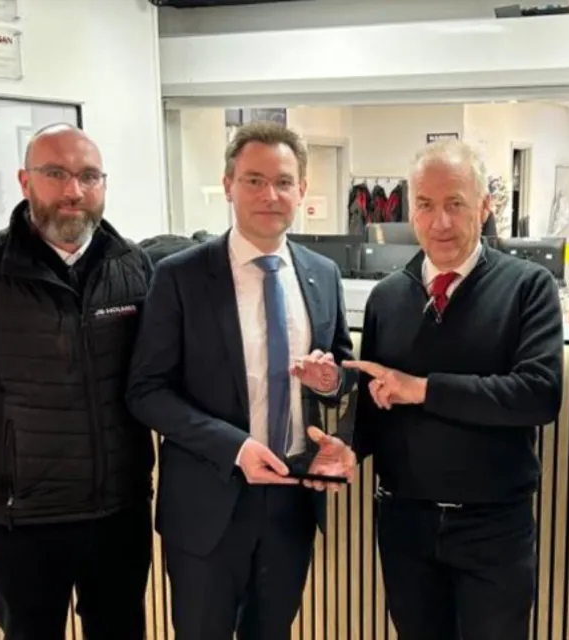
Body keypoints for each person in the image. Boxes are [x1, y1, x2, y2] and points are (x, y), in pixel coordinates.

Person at [0, 123, 155, 639]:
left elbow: (149, 380)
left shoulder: (134, 268)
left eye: (89, 176)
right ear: (26, 181)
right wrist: (5, 455)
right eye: (56, 174)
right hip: (22, 519)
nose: (74, 191)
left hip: (119, 509)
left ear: (104, 184)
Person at [125, 121, 357, 640]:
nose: (269, 195)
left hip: (292, 502)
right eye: (253, 180)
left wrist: (328, 382)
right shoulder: (180, 275)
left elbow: (340, 375)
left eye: (283, 181)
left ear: (302, 189)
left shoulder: (322, 274)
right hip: (208, 504)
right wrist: (235, 447)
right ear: (228, 185)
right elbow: (146, 391)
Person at [344, 139, 564, 640]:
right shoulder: (388, 297)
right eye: (425, 205)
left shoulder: (529, 288)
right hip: (405, 526)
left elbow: (538, 394)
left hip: (493, 527)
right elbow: (377, 410)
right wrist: (348, 450)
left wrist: (423, 389)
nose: (440, 221)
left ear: (485, 206)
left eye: (455, 203)